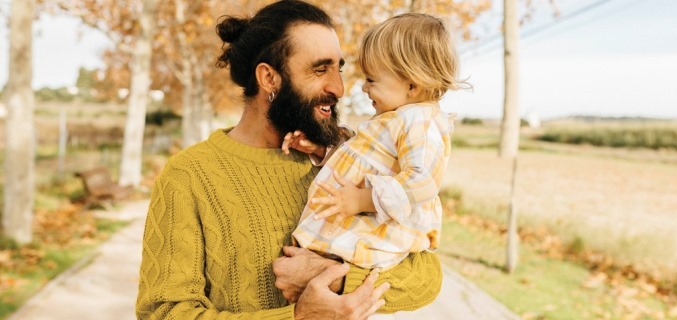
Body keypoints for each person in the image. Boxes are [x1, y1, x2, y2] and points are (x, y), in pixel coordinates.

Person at [135, 1, 442, 320]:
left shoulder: (345, 160)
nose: (338, 88)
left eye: (340, 68)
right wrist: (300, 316)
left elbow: (427, 276)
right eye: (320, 69)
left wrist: (334, 278)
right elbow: (163, 312)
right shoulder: (189, 176)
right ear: (269, 78)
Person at [285, 13, 461, 272]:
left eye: (371, 80)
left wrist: (362, 200)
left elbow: (423, 182)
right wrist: (322, 148)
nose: (364, 89)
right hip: (356, 231)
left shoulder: (420, 121)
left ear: (412, 85)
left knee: (305, 273)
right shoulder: (396, 118)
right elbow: (364, 158)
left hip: (377, 234)